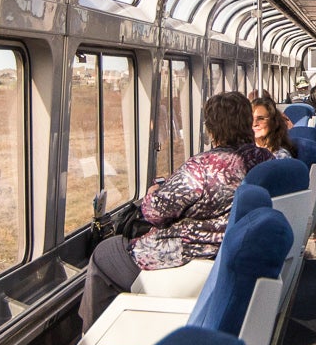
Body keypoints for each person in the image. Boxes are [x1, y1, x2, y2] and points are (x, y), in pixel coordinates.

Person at [81, 91, 272, 327]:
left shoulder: (202, 167)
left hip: (189, 259)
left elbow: (155, 213)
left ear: (211, 129)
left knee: (104, 254)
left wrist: (151, 195)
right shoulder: (264, 159)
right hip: (229, 253)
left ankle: (94, 339)